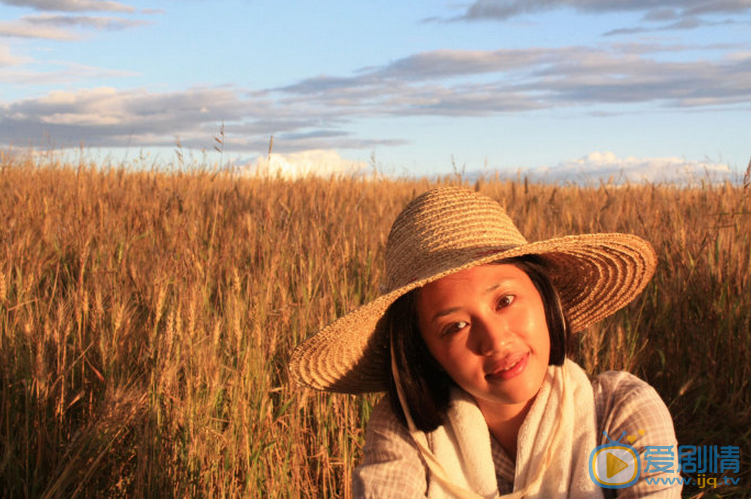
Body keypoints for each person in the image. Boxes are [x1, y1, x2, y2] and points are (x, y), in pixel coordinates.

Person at [290, 187, 680, 498]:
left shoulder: (619, 411)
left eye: (505, 301)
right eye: (454, 326)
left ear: (544, 298)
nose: (494, 339)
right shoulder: (407, 432)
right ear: (424, 350)